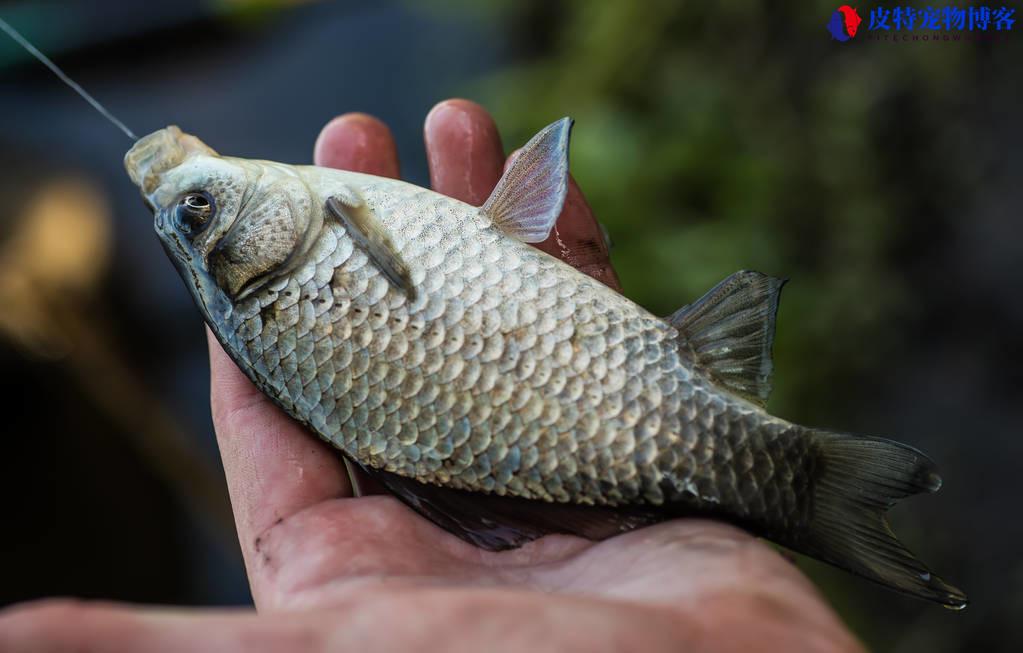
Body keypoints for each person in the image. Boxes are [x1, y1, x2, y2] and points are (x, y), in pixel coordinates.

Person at [0, 100, 864, 652]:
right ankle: (798, 483)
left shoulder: (305, 240)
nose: (197, 195)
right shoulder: (315, 230)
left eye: (195, 212)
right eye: (200, 215)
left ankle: (788, 483)